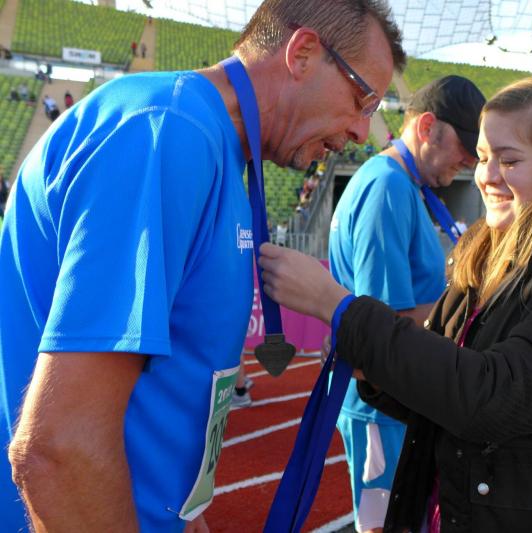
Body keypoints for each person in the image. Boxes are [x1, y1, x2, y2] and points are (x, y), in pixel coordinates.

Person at [0, 1, 404, 531]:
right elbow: (60, 448)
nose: (362, 131)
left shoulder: (211, 143)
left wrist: (186, 509)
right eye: (362, 99)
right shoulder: (169, 132)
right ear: (303, 53)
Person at [258, 77, 532, 531]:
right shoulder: (482, 255)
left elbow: (494, 397)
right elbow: (440, 394)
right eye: (484, 158)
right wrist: (373, 367)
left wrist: (340, 309)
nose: (486, 176)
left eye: (509, 160)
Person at [328, 75, 485, 533]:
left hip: (392, 398)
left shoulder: (400, 184)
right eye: (465, 147)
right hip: (382, 403)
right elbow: (383, 323)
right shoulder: (388, 187)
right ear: (428, 127)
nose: (470, 161)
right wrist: (473, 310)